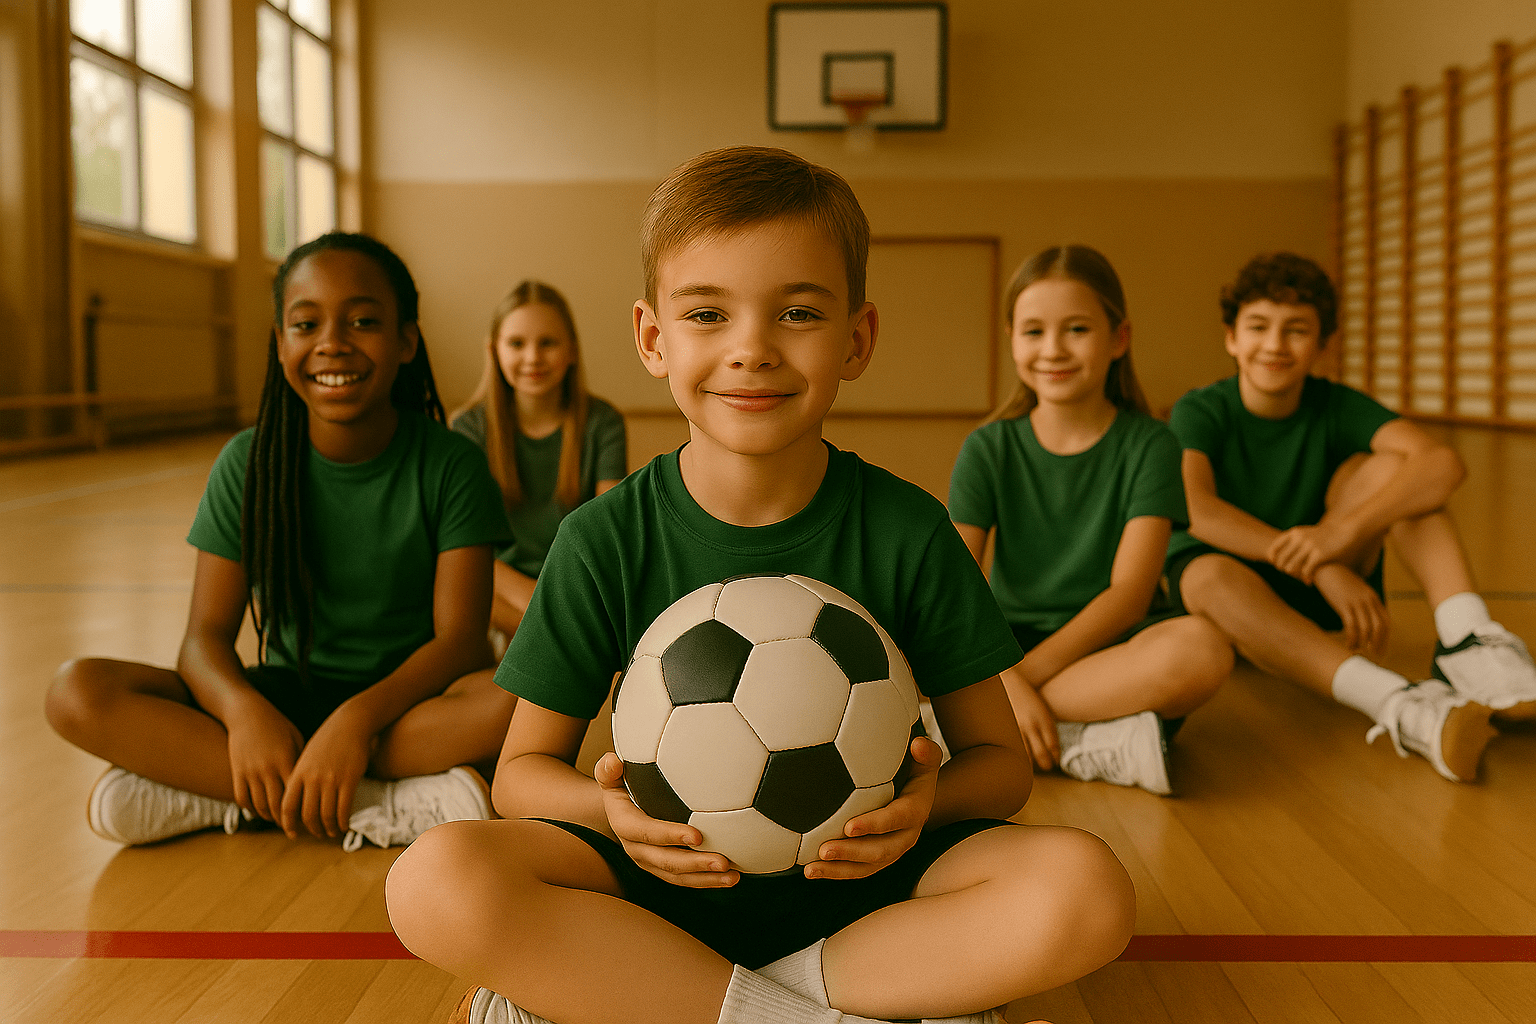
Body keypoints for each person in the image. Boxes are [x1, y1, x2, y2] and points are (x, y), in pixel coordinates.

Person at [385, 148, 1133, 1024]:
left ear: (856, 339)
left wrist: (920, 805)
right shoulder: (605, 538)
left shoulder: (907, 529)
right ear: (653, 338)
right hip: (661, 883)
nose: (752, 349)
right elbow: (520, 774)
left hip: (862, 884)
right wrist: (615, 816)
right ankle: (814, 1013)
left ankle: (669, 1001)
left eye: (798, 314)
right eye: (708, 313)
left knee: (1087, 889)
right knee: (433, 880)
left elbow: (1001, 767)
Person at [45, 231, 518, 849]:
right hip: (283, 702)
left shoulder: (451, 463)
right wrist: (244, 717)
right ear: (280, 342)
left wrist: (354, 722)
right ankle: (375, 800)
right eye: (305, 324)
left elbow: (458, 642)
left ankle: (222, 793)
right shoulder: (249, 462)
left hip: (404, 706)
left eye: (363, 321)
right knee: (76, 692)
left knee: (516, 698)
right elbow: (202, 641)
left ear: (405, 341)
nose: (332, 343)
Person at [1165, 251, 1536, 783]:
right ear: (1231, 338)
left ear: (1322, 345)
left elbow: (1441, 463)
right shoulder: (1201, 410)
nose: (1274, 344)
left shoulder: (1336, 404)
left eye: (1296, 330)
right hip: (1237, 602)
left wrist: (1339, 534)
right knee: (1205, 574)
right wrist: (1321, 564)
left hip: (1328, 596)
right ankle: (1394, 701)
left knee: (1397, 471)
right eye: (1258, 327)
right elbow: (1196, 511)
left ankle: (1467, 637)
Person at [948, 246, 1233, 796]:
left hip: (1108, 650)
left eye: (1076, 329)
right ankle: (1088, 739)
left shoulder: (1151, 442)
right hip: (1003, 650)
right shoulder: (988, 448)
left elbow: (1129, 594)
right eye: (1033, 331)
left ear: (1118, 339)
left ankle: (986, 726)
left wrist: (1017, 687)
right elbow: (955, 585)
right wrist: (1005, 672)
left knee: (1202, 650)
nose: (1053, 349)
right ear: (1012, 340)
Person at [451, 281, 627, 640]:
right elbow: (468, 552)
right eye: (517, 344)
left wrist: (558, 607)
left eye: (547, 342)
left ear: (572, 351)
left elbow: (607, 537)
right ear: (494, 351)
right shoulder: (467, 428)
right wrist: (538, 611)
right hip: (496, 596)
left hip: (576, 592)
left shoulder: (602, 423)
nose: (533, 357)